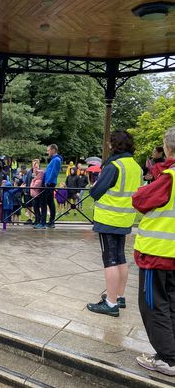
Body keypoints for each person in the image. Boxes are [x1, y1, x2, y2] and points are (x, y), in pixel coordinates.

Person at [132, 127, 175, 376]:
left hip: (158, 252)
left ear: (167, 148)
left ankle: (167, 358)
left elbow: (140, 199)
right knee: (171, 303)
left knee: (153, 305)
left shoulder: (169, 178)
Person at [87, 130, 142, 317]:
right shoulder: (136, 166)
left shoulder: (114, 166)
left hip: (108, 218)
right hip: (125, 217)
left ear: (115, 144)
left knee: (109, 260)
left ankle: (110, 304)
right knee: (120, 257)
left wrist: (94, 186)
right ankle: (119, 296)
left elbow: (95, 193)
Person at [38, 144, 62, 229]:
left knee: (44, 202)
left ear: (53, 150)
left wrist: (47, 182)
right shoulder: (55, 159)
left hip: (49, 184)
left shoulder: (56, 160)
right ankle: (51, 222)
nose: (47, 152)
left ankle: (43, 223)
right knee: (50, 202)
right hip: (49, 183)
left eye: (48, 150)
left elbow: (54, 173)